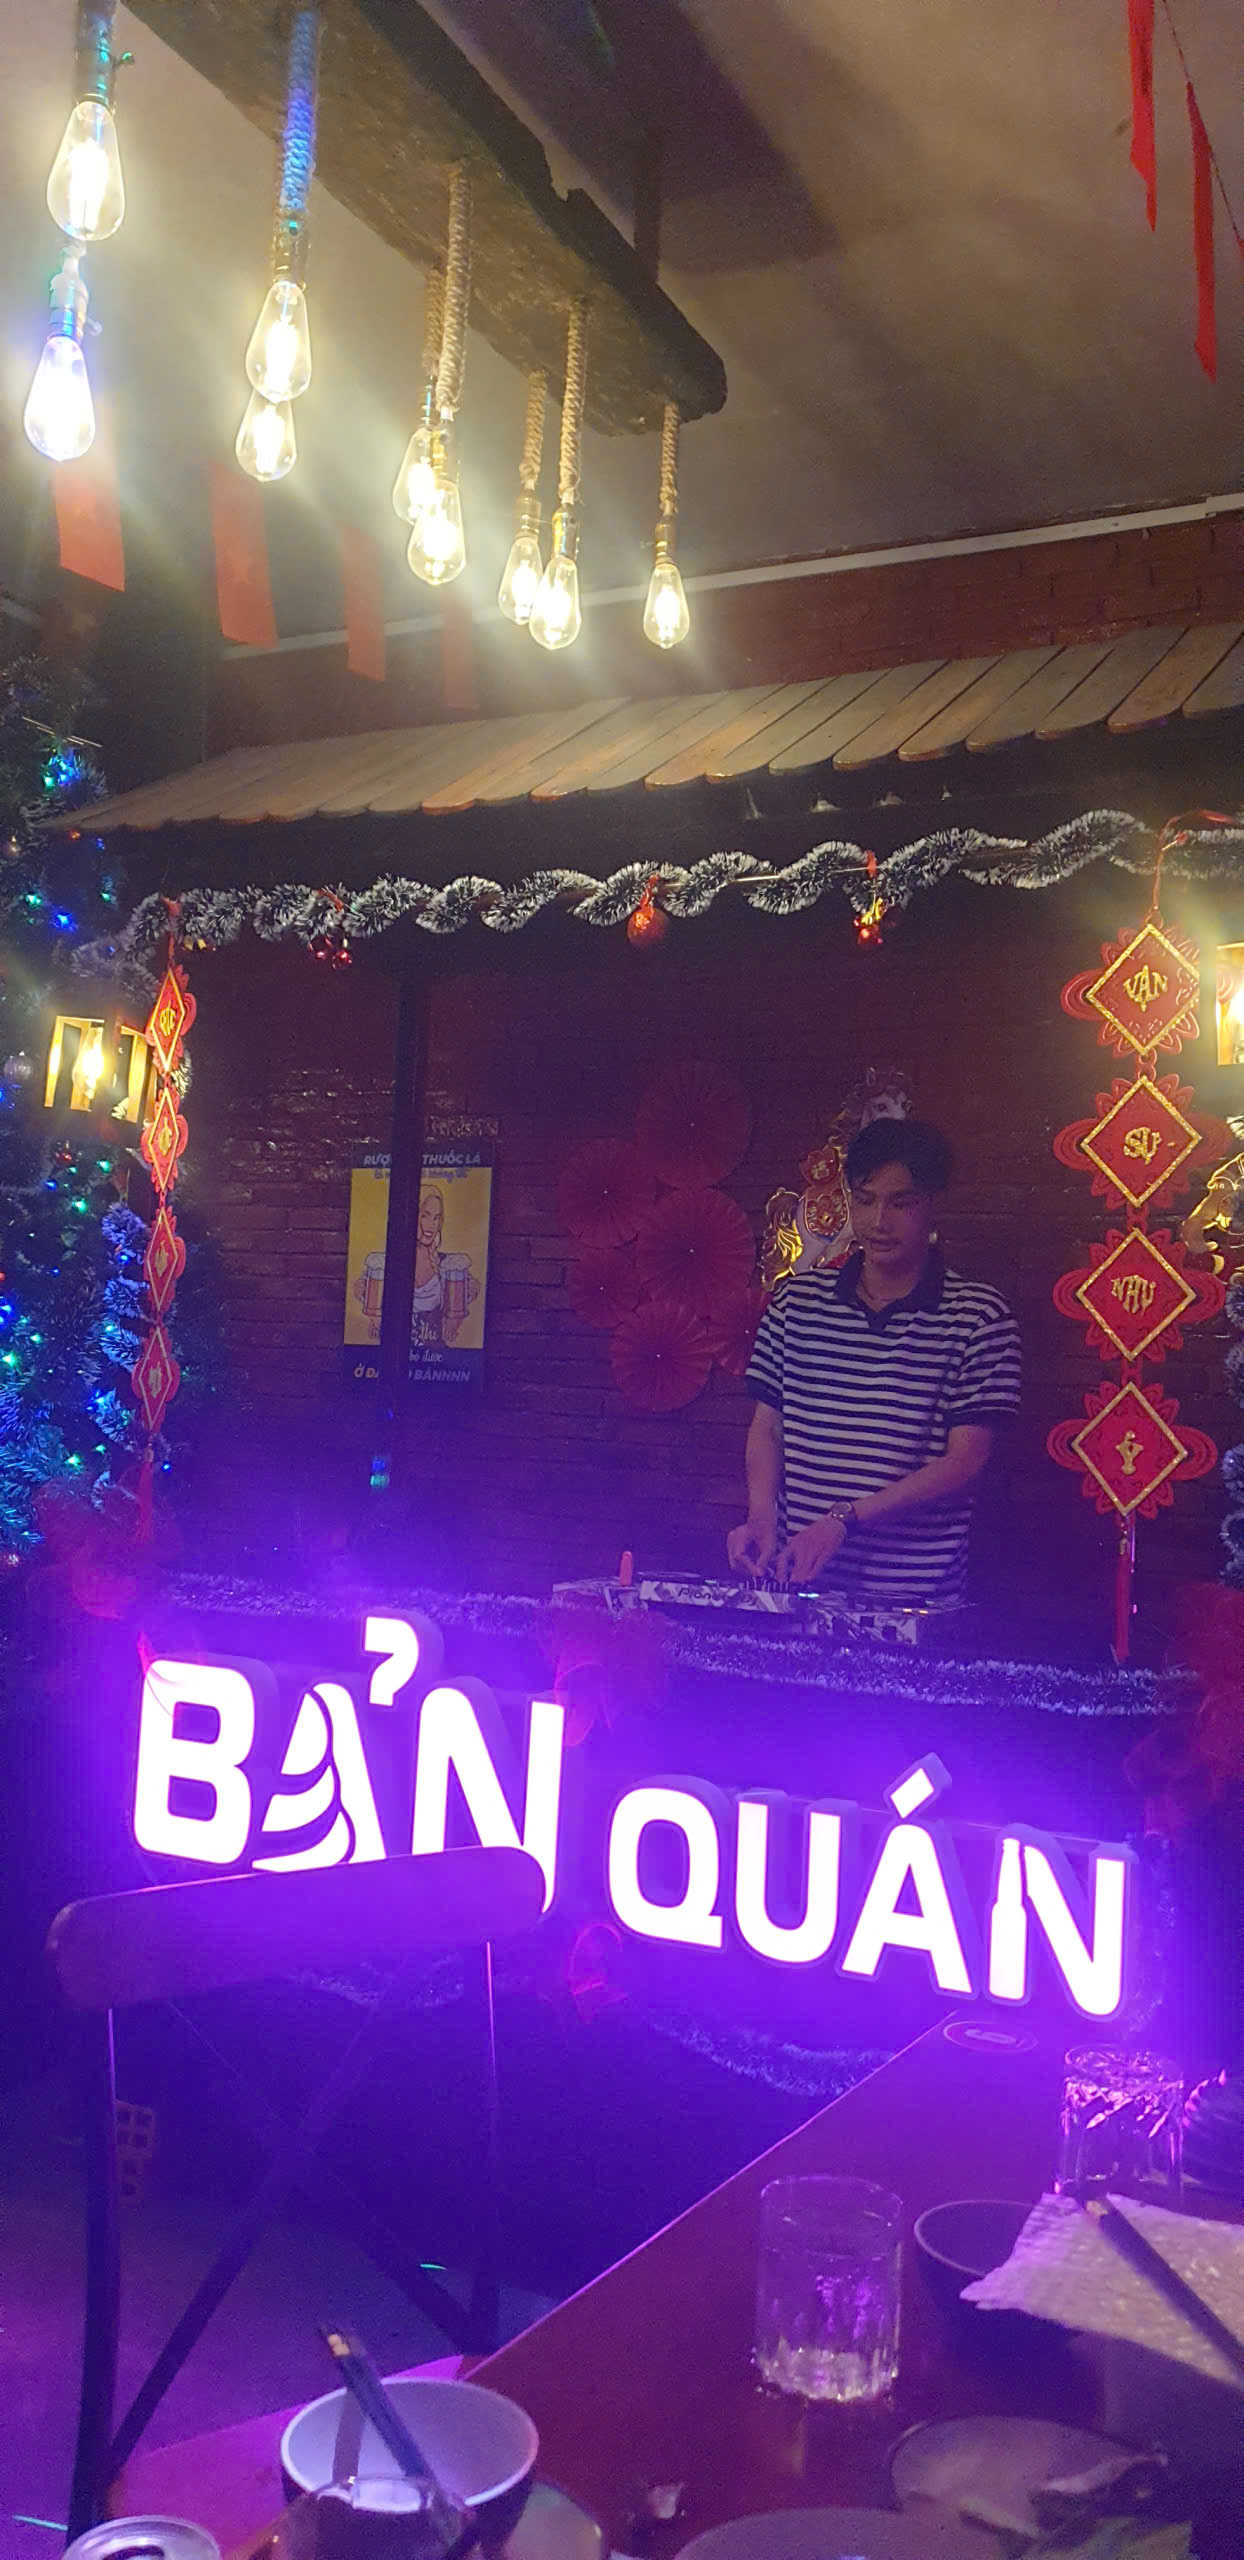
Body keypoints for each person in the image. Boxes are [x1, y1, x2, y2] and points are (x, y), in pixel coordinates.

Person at [728, 1118, 1020, 1610]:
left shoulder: (978, 1316)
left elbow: (966, 1463)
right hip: (797, 1586)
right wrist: (761, 1517)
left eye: (900, 1202)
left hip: (911, 1599)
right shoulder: (796, 1303)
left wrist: (846, 1519)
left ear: (933, 1203)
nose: (879, 1221)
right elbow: (768, 1427)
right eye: (864, 1200)